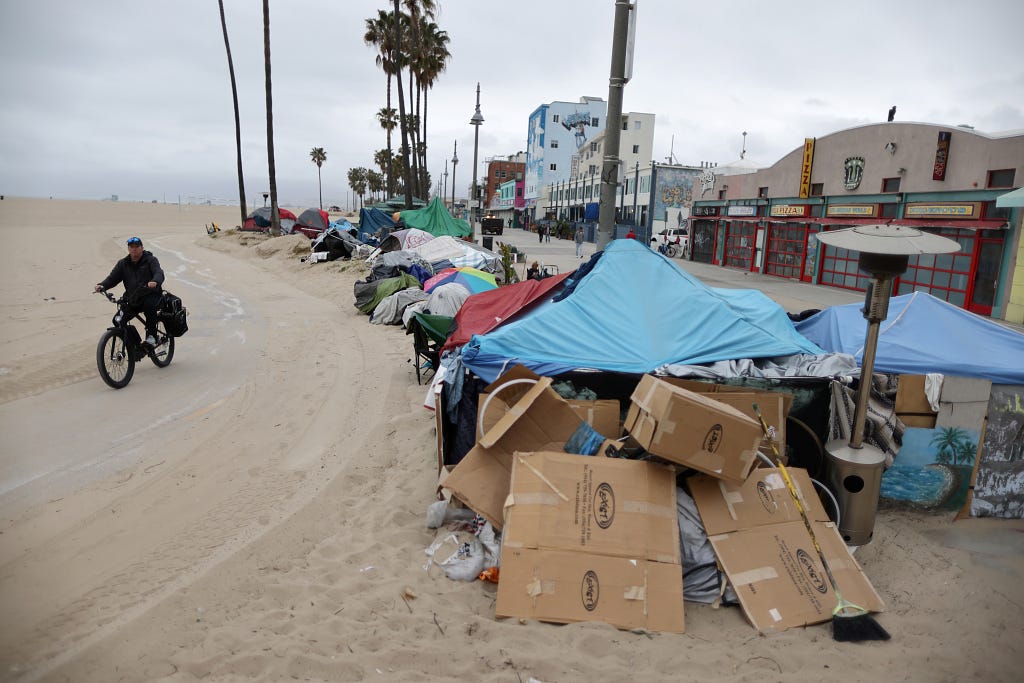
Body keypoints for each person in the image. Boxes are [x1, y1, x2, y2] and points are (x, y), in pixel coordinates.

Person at [95, 236, 165, 346]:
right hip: (133, 298)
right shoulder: (123, 264)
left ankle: (152, 337)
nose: (134, 249)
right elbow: (112, 278)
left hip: (151, 295)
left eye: (137, 246)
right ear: (128, 249)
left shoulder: (151, 260)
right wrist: (102, 285)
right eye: (131, 247)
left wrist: (155, 281)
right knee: (118, 320)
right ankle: (134, 344)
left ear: (142, 248)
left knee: (149, 307)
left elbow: (159, 273)